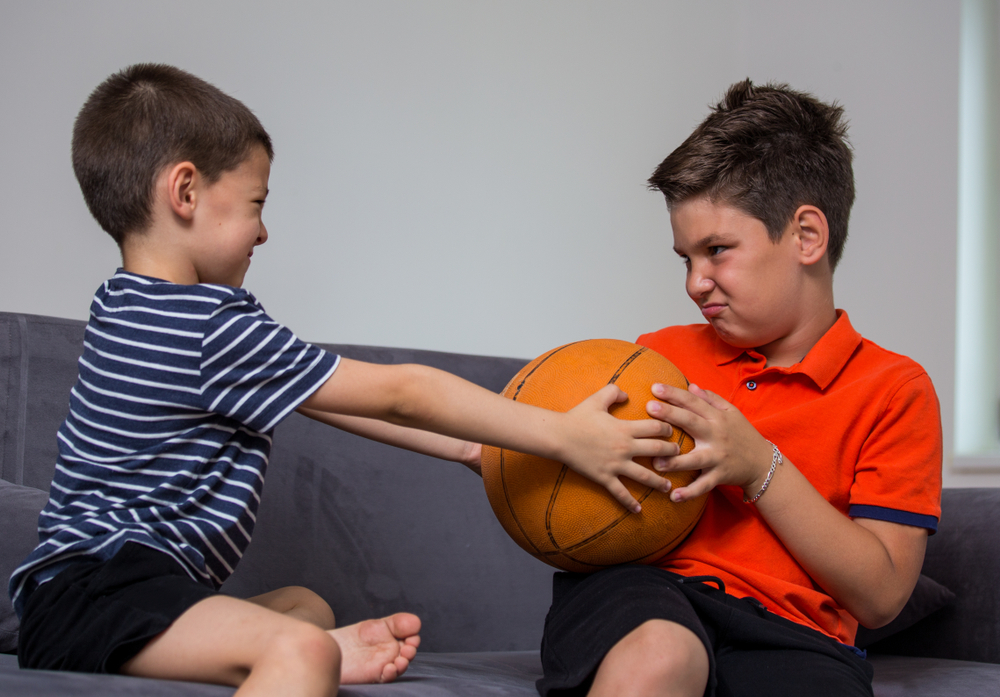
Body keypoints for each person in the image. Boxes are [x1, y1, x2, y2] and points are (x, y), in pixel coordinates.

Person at [7, 63, 681, 697]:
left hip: (103, 593)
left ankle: (308, 643)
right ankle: (306, 656)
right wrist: (561, 435)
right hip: (96, 594)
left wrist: (476, 449)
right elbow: (402, 392)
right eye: (254, 202)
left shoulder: (129, 304)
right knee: (303, 648)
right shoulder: (209, 325)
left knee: (306, 608)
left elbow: (325, 400)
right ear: (185, 192)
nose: (264, 232)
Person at [535, 79, 943, 697]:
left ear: (807, 236)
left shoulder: (895, 389)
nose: (697, 282)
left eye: (717, 250)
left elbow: (882, 596)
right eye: (685, 258)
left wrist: (759, 466)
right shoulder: (658, 356)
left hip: (797, 633)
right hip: (644, 595)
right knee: (661, 654)